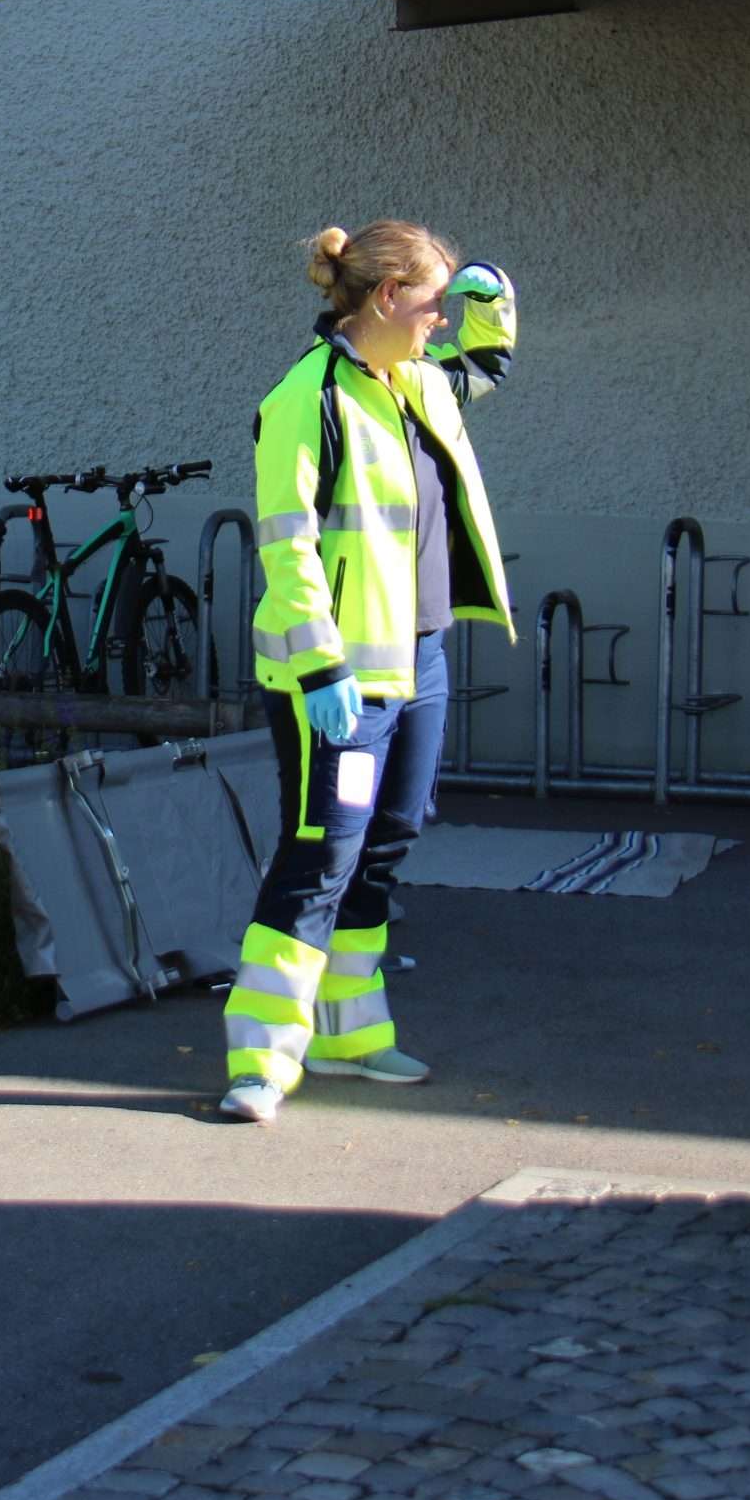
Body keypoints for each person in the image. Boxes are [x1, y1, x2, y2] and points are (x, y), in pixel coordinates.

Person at [219, 220, 517, 1125]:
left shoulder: (415, 383)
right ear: (386, 297)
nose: (440, 322)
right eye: (433, 304)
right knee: (321, 853)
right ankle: (259, 1058)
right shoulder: (306, 397)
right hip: (338, 677)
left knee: (386, 842)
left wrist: (493, 301)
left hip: (417, 661)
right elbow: (288, 546)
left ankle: (349, 1034)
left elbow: (487, 366)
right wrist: (320, 668)